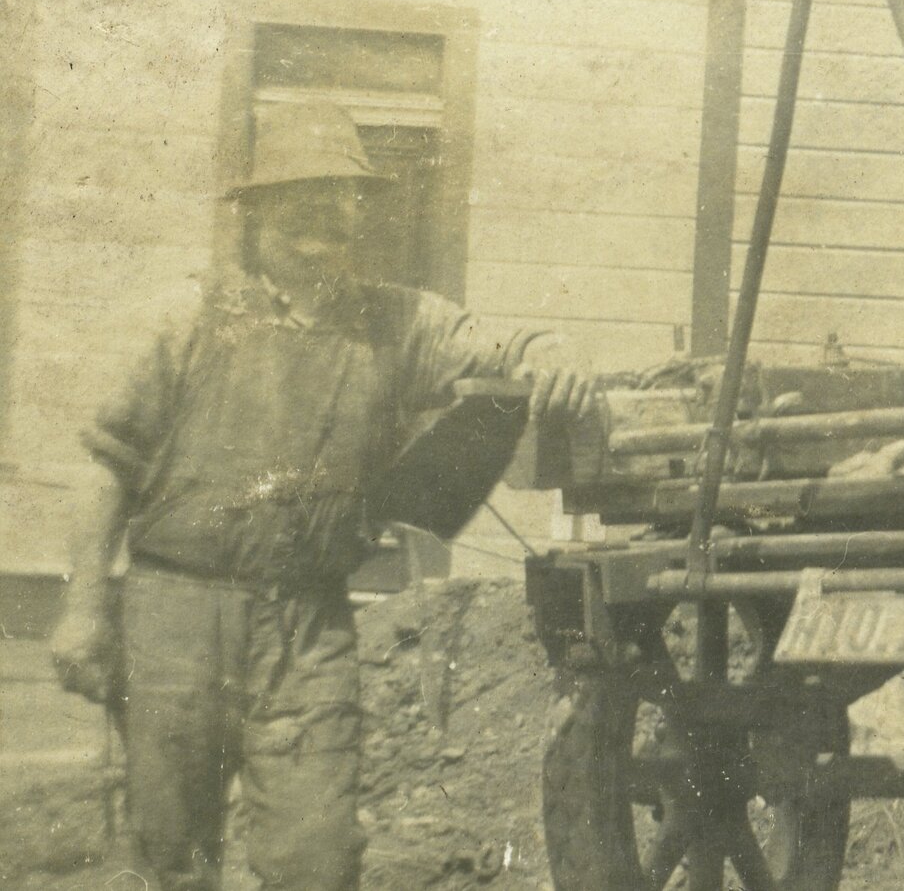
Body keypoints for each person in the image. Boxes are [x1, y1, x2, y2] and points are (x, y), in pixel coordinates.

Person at [46, 101, 598, 891]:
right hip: (176, 618)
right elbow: (104, 465)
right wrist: (83, 607)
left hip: (307, 626)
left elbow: (503, 348)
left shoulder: (395, 322)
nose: (324, 214)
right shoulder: (189, 318)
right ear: (260, 208)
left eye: (342, 196)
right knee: (172, 857)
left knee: (320, 858)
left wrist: (550, 348)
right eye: (302, 193)